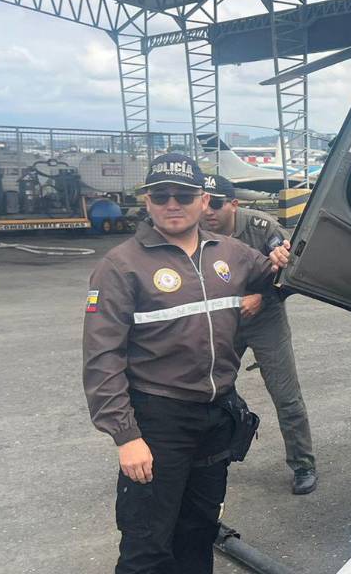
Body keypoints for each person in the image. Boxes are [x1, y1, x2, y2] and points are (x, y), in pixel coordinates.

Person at [83, 154, 291, 573]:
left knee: (198, 531)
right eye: (161, 195)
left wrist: (282, 255)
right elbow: (102, 358)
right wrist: (126, 436)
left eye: (183, 195)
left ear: (204, 200)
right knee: (148, 542)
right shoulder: (121, 266)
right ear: (147, 200)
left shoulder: (231, 254)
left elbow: (275, 273)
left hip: (216, 414)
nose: (172, 204)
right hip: (160, 418)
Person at [200, 174, 319, 495]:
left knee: (285, 393)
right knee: (207, 388)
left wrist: (262, 297)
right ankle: (206, 456)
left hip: (265, 316)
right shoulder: (195, 234)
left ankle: (303, 463)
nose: (207, 209)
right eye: (203, 201)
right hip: (223, 319)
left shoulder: (261, 228)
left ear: (234, 204)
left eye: (216, 202)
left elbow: (295, 272)